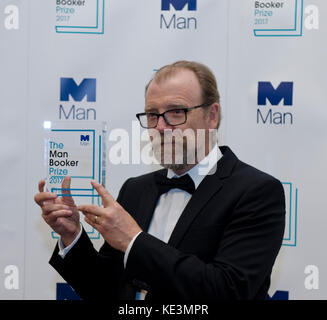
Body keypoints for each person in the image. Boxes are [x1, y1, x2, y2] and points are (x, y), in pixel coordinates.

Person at [34, 60, 285, 300]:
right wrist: (72, 236)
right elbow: (106, 290)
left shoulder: (256, 191)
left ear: (212, 116)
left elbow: (229, 291)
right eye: (152, 115)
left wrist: (134, 240)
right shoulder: (135, 189)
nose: (161, 127)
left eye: (176, 112)